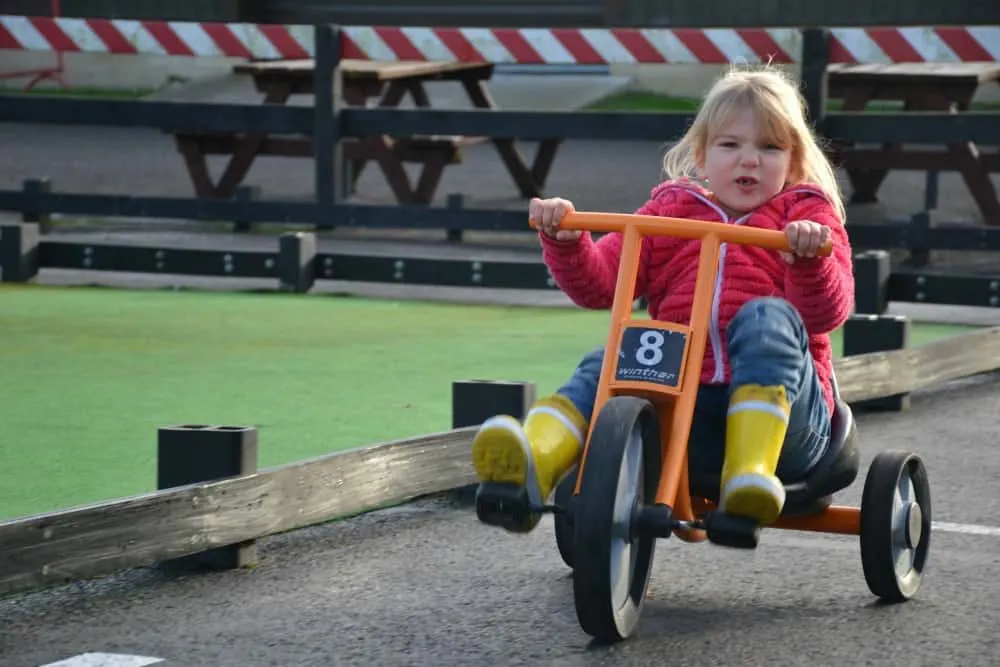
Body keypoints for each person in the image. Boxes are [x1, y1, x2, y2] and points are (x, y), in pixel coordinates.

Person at [471, 64, 855, 533]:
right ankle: (534, 462)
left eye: (769, 147)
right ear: (701, 155)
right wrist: (566, 239)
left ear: (793, 162)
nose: (749, 160)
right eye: (730, 145)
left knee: (765, 317)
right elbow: (602, 286)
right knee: (611, 361)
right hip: (678, 413)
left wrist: (809, 258)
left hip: (788, 423)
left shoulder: (807, 219)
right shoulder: (671, 210)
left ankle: (749, 473)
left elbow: (827, 313)